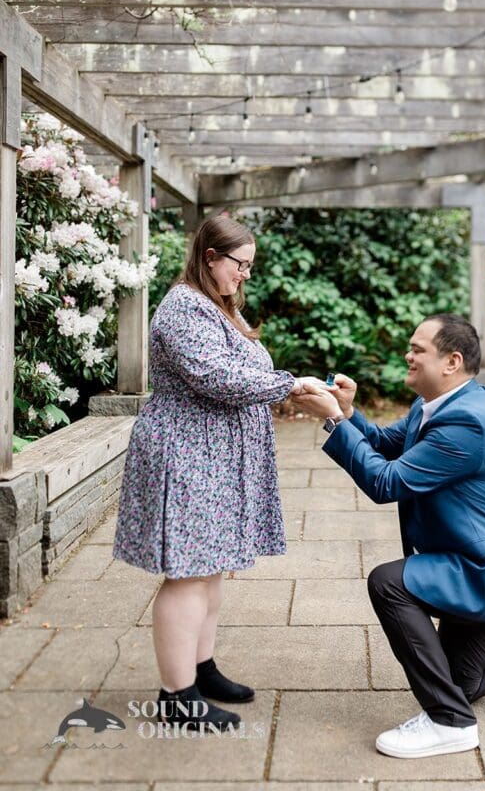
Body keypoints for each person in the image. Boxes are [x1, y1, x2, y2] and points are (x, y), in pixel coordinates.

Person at [293, 313, 485, 759]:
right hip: (476, 560)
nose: (408, 355)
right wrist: (346, 412)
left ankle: (449, 722)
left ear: (452, 362)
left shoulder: (467, 423)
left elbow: (387, 483)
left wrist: (336, 427)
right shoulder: (435, 404)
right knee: (461, 683)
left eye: (418, 349)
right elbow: (384, 444)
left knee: (389, 582)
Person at [113, 214, 319, 733]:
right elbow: (218, 377)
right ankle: (177, 696)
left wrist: (285, 387)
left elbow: (244, 372)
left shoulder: (215, 306)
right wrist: (290, 386)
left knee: (209, 569)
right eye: (240, 264)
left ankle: (201, 671)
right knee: (187, 575)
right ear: (210, 258)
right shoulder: (183, 308)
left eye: (250, 265)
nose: (246, 275)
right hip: (187, 456)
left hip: (213, 458)